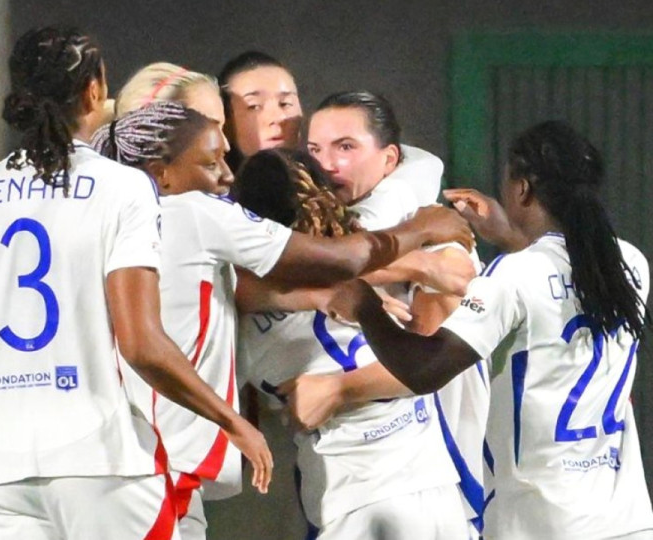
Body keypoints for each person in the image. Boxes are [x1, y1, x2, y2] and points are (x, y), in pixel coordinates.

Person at [92, 100, 474, 539]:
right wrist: (418, 249)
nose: (226, 177)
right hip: (423, 481)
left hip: (342, 491)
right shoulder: (386, 215)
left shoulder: (234, 317)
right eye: (211, 161)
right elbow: (411, 179)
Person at [0, 27, 275, 540]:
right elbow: (141, 343)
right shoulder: (122, 186)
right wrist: (231, 420)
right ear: (92, 92)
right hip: (101, 461)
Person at [327, 121, 653, 539]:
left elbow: (425, 370)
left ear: (522, 190)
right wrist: (514, 237)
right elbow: (559, 293)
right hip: (624, 521)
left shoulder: (514, 274)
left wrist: (365, 307)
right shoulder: (630, 264)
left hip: (540, 522)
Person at [235, 142, 471, 540]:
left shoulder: (235, 314)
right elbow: (425, 162)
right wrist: (416, 249)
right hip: (434, 487)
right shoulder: (375, 233)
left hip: (349, 498)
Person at [218, 52, 442, 207]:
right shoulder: (214, 197)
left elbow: (423, 163)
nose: (277, 118)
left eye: (286, 103)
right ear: (224, 119)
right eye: (254, 107)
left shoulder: (321, 177)